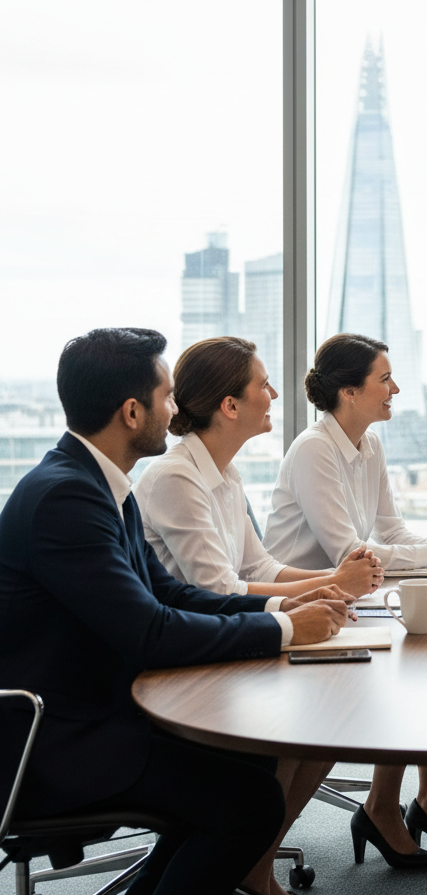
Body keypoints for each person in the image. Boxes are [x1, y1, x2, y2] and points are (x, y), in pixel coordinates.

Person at [0, 328, 351, 895]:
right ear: (132, 411)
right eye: (167, 397)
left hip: (97, 712)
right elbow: (151, 632)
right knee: (251, 802)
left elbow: (172, 595)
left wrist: (290, 608)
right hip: (52, 744)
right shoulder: (64, 498)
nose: (176, 408)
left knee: (252, 761)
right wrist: (284, 629)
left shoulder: (100, 485)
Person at [135, 336, 383, 895]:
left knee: (328, 727)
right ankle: (251, 860)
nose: (275, 394)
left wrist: (331, 586)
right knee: (307, 721)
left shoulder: (224, 472)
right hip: (190, 662)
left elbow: (259, 564)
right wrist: (326, 587)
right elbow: (216, 588)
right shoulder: (176, 477)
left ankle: (257, 860)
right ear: (229, 405)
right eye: (262, 386)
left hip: (229, 637)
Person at [266, 333, 427, 868]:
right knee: (415, 661)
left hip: (354, 599)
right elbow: (350, 552)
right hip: (308, 606)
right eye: (384, 379)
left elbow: (390, 528)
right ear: (348, 391)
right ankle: (387, 806)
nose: (396, 388)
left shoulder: (369, 443)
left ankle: (423, 799)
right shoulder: (314, 450)